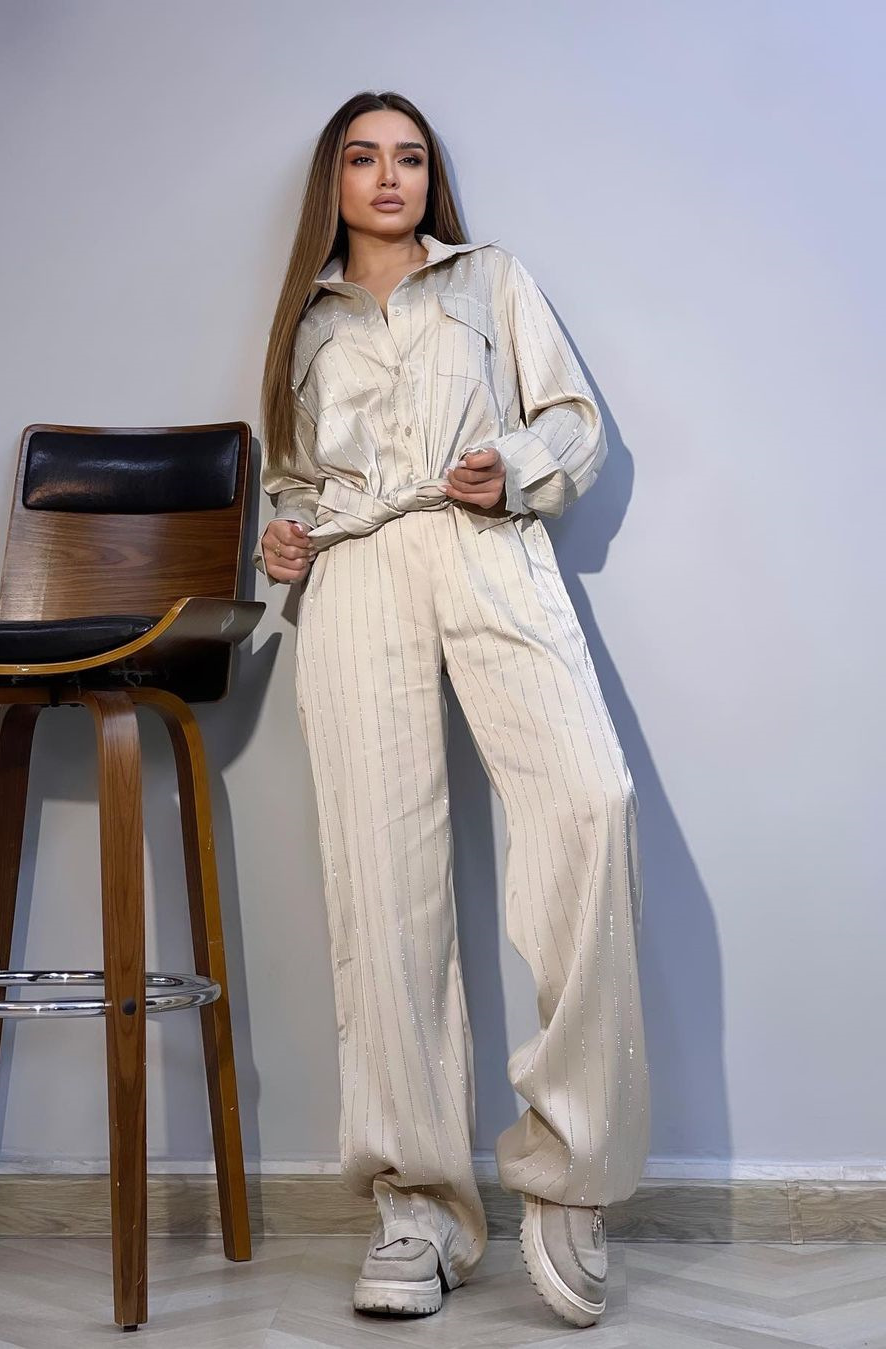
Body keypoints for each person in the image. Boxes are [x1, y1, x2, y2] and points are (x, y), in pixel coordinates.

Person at [253, 89, 649, 1329]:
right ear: (332, 182)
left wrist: (511, 467)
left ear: (432, 177)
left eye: (410, 157)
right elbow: (297, 476)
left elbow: (575, 423)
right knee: (383, 880)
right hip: (357, 569)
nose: (389, 177)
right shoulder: (307, 322)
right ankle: (414, 1205)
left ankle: (572, 1171)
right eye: (363, 158)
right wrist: (283, 532)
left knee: (590, 802)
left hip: (485, 544)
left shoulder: (490, 279)